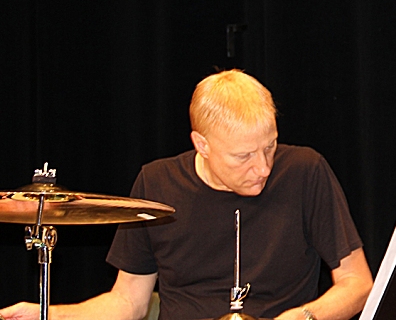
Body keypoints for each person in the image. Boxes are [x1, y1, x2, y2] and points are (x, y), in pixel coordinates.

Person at [1, 70, 373, 320]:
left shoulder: (305, 171)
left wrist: (306, 316)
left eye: (270, 147)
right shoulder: (157, 183)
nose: (262, 168)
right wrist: (46, 312)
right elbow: (128, 302)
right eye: (243, 156)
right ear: (202, 145)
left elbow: (358, 284)